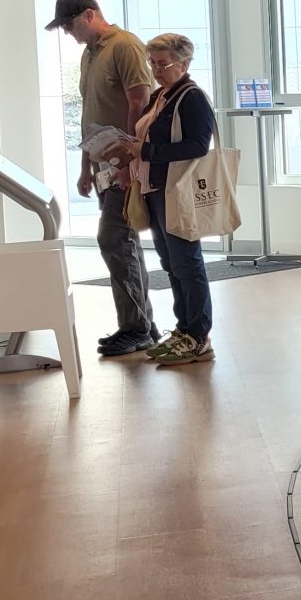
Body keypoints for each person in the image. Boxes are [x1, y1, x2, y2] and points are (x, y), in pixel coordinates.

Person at [47, 0, 158, 357]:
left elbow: (139, 103)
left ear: (90, 15)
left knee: (113, 237)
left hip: (124, 164)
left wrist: (129, 162)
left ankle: (137, 327)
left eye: (69, 24)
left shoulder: (125, 46)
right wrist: (85, 167)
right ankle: (141, 324)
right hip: (103, 165)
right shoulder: (90, 53)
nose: (66, 32)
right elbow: (90, 113)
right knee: (122, 241)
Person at [111, 33, 216, 368]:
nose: (155, 69)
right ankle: (184, 328)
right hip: (156, 188)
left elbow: (199, 145)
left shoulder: (192, 97)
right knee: (171, 263)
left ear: (184, 63)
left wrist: (147, 151)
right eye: (152, 63)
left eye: (163, 63)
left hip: (178, 191)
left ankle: (199, 336)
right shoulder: (162, 95)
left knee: (187, 262)